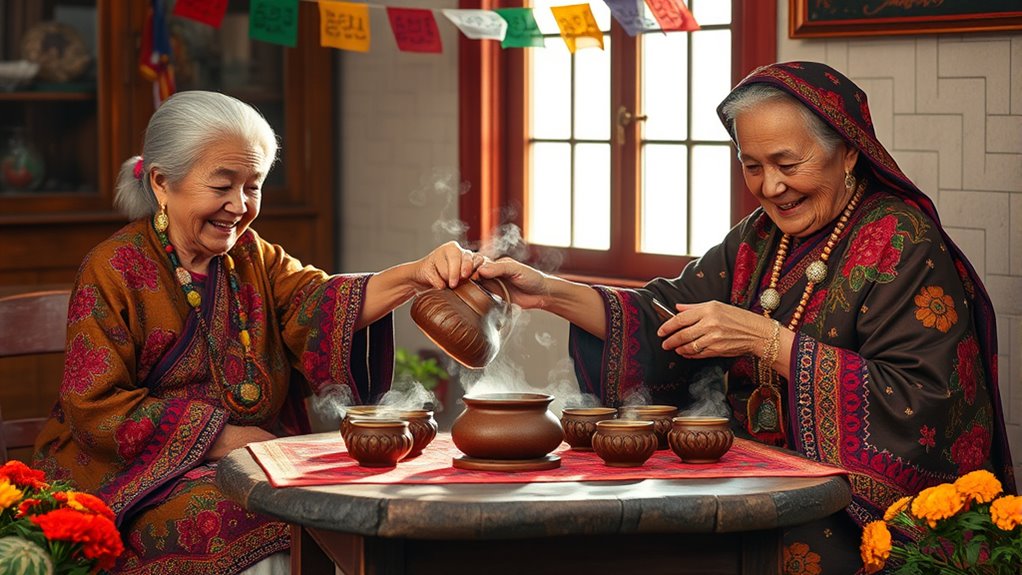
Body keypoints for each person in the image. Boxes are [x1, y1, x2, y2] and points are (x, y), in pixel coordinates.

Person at [477, 61, 1015, 572]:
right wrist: (546, 292)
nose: (770, 187)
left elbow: (921, 403)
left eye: (788, 164)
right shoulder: (761, 235)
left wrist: (766, 339)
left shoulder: (902, 241)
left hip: (851, 510)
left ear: (849, 152)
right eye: (751, 166)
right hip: (751, 478)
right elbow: (662, 315)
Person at [32, 91, 481, 575]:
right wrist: (223, 438)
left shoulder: (251, 254)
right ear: (162, 183)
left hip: (250, 455)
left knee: (343, 500)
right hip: (131, 477)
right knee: (263, 516)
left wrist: (418, 274)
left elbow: (318, 301)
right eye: (222, 185)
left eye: (254, 186)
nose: (239, 205)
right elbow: (96, 407)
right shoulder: (113, 268)